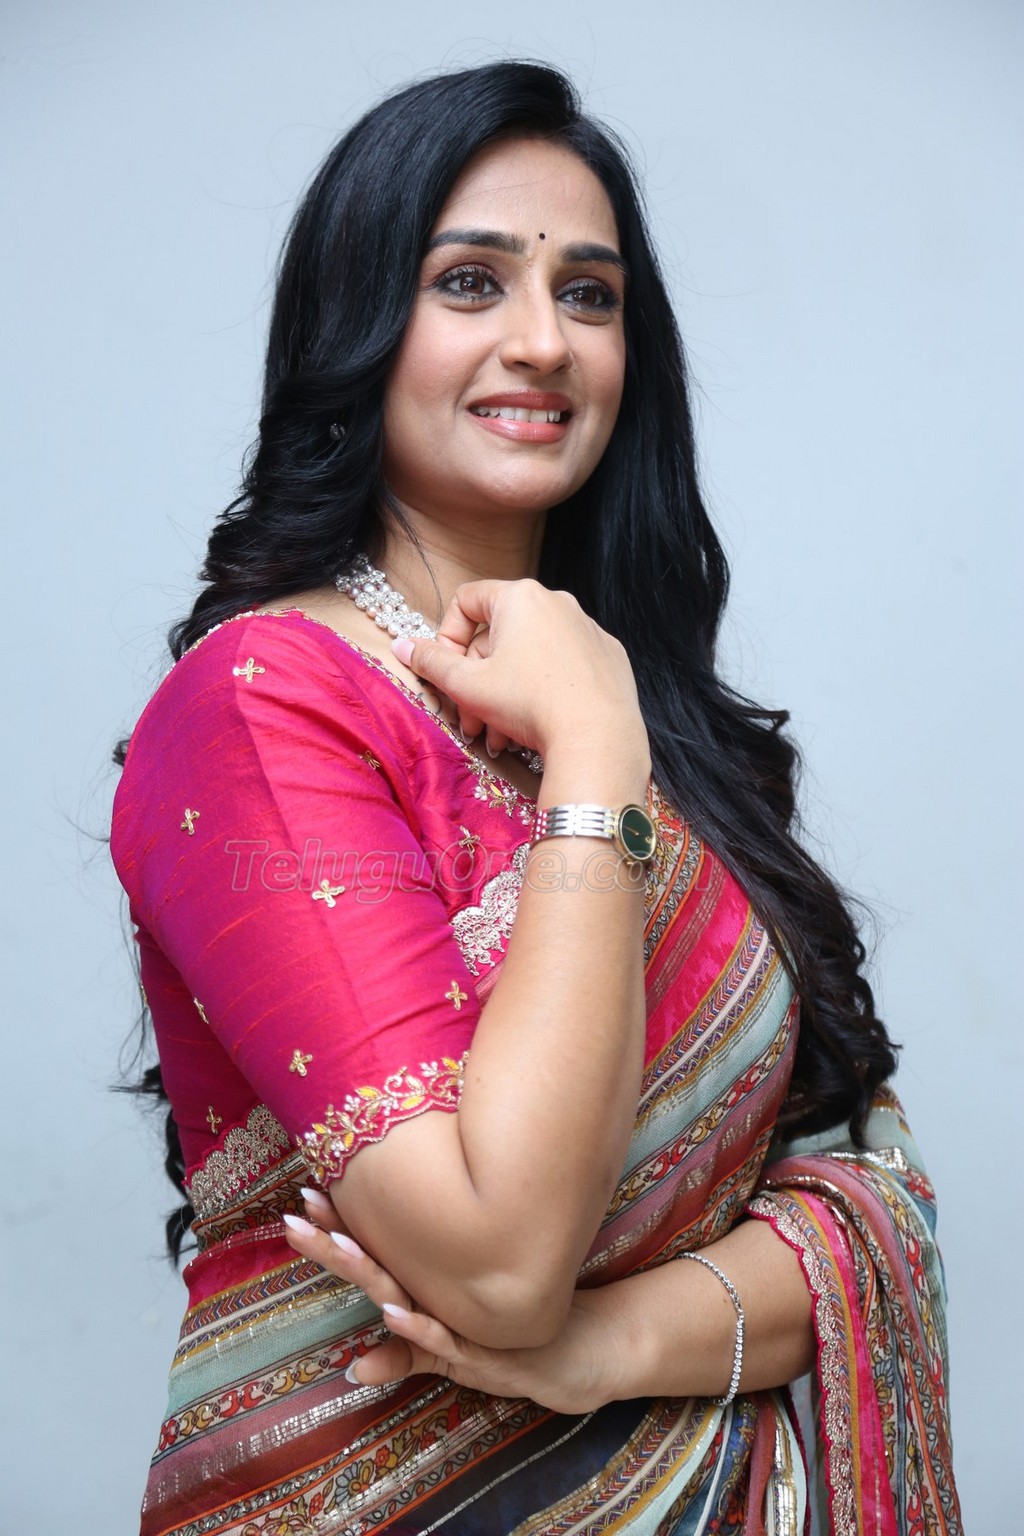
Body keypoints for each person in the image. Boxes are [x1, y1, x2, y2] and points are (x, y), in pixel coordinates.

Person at [111, 62, 960, 1536]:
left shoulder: (650, 721)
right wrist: (593, 759)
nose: (543, 342)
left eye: (589, 295)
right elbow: (498, 1259)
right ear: (358, 327)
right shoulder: (266, 705)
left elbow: (865, 1189)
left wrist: (602, 1351)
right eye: (469, 282)